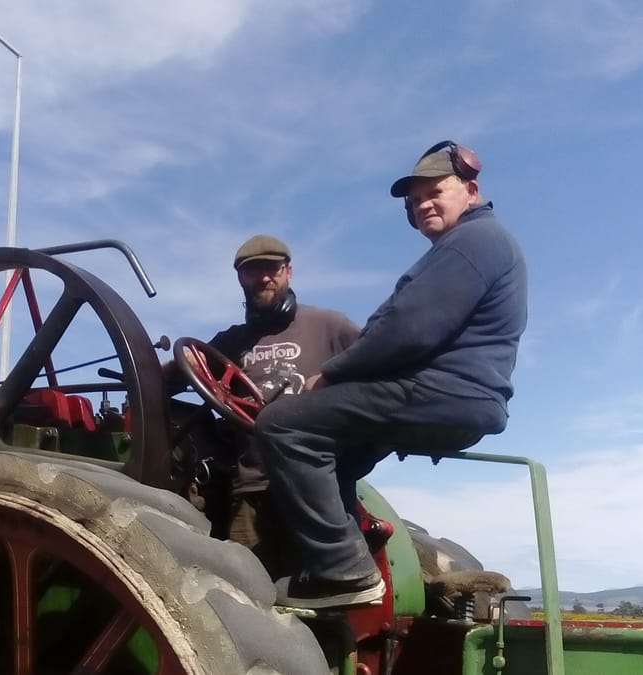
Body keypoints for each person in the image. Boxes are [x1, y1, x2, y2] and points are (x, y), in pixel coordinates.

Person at [254, 140, 528, 609]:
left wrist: (334, 373)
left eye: (435, 191)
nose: (422, 204)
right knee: (336, 451)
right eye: (414, 200)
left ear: (471, 190)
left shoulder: (473, 242)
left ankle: (341, 569)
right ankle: (342, 558)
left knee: (282, 424)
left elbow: (409, 329)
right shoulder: (470, 245)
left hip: (445, 390)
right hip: (455, 394)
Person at [168, 234, 359, 579]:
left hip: (314, 488)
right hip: (251, 489)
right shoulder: (231, 342)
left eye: (272, 269)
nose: (264, 278)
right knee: (245, 593)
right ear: (241, 278)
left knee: (325, 598)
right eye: (253, 271)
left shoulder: (331, 326)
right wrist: (161, 368)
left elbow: (375, 363)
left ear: (288, 272)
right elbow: (177, 374)